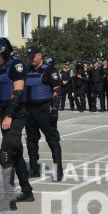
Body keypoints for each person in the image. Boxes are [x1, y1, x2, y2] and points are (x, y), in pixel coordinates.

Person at [0, 37, 33, 208]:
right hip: (4, 111)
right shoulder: (0, 69)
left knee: (5, 154)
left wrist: (9, 116)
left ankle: (9, 198)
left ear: (4, 53)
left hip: (16, 113)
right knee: (16, 154)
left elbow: (18, 93)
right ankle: (27, 191)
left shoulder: (16, 64)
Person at [24, 46, 63, 181]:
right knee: (31, 141)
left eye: (32, 56)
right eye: (28, 57)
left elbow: (57, 90)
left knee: (52, 139)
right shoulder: (26, 70)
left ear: (39, 55)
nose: (30, 59)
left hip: (44, 109)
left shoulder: (49, 70)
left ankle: (58, 171)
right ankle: (34, 169)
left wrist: (55, 110)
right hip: (29, 110)